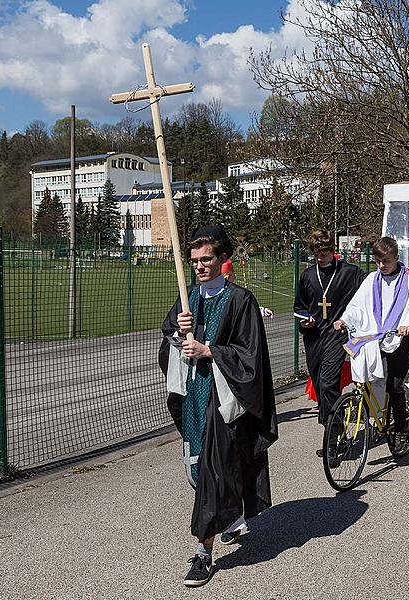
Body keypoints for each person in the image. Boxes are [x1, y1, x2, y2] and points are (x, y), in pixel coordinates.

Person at [159, 225, 278, 587]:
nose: (199, 266)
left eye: (206, 258)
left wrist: (211, 350)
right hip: (194, 396)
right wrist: (179, 333)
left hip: (225, 401)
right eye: (194, 260)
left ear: (222, 258)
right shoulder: (187, 298)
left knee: (213, 469)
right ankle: (229, 513)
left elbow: (251, 355)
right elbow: (169, 343)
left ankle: (202, 553)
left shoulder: (241, 301)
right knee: (203, 468)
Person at [334, 237, 409, 437]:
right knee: (367, 378)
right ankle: (374, 417)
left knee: (394, 385)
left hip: (402, 338)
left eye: (386, 261)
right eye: (377, 261)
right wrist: (344, 320)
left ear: (396, 257)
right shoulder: (371, 280)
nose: (382, 266)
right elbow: (357, 305)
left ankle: (401, 430)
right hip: (376, 337)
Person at [293, 229, 364, 450]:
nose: (320, 257)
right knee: (321, 386)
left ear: (332, 250)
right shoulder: (307, 276)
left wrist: (402, 272)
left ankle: (332, 440)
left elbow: (374, 284)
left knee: (328, 384)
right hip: (314, 337)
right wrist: (304, 321)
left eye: (324, 252)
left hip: (338, 334)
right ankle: (337, 427)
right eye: (317, 253)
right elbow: (300, 306)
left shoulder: (349, 272)